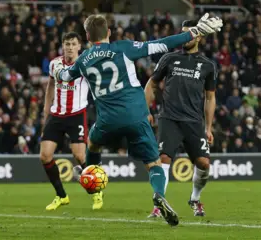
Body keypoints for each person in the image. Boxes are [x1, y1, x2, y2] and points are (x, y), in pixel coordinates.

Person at [54, 13, 223, 226]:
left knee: (94, 143)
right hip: (136, 115)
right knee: (154, 164)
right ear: (108, 32)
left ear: (87, 36)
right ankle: (158, 195)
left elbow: (66, 76)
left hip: (107, 120)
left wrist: (58, 71)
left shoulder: (83, 59)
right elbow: (161, 44)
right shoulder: (123, 47)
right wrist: (195, 32)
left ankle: (91, 177)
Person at [144, 19, 217, 218]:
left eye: (191, 33)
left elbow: (210, 98)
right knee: (164, 159)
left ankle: (194, 198)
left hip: (194, 121)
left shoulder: (207, 65)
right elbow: (152, 83)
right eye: (184, 33)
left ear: (199, 36)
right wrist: (146, 110)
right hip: (170, 118)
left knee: (203, 164)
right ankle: (159, 204)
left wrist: (208, 127)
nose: (186, 37)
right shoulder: (169, 58)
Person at [40, 32, 98, 211]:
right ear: (62, 46)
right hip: (56, 115)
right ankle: (61, 195)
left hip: (76, 114)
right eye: (67, 44)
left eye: (73, 44)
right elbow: (50, 85)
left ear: (79, 46)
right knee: (45, 155)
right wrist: (46, 108)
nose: (70, 47)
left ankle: (96, 191)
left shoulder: (86, 64)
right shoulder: (54, 64)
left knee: (80, 155)